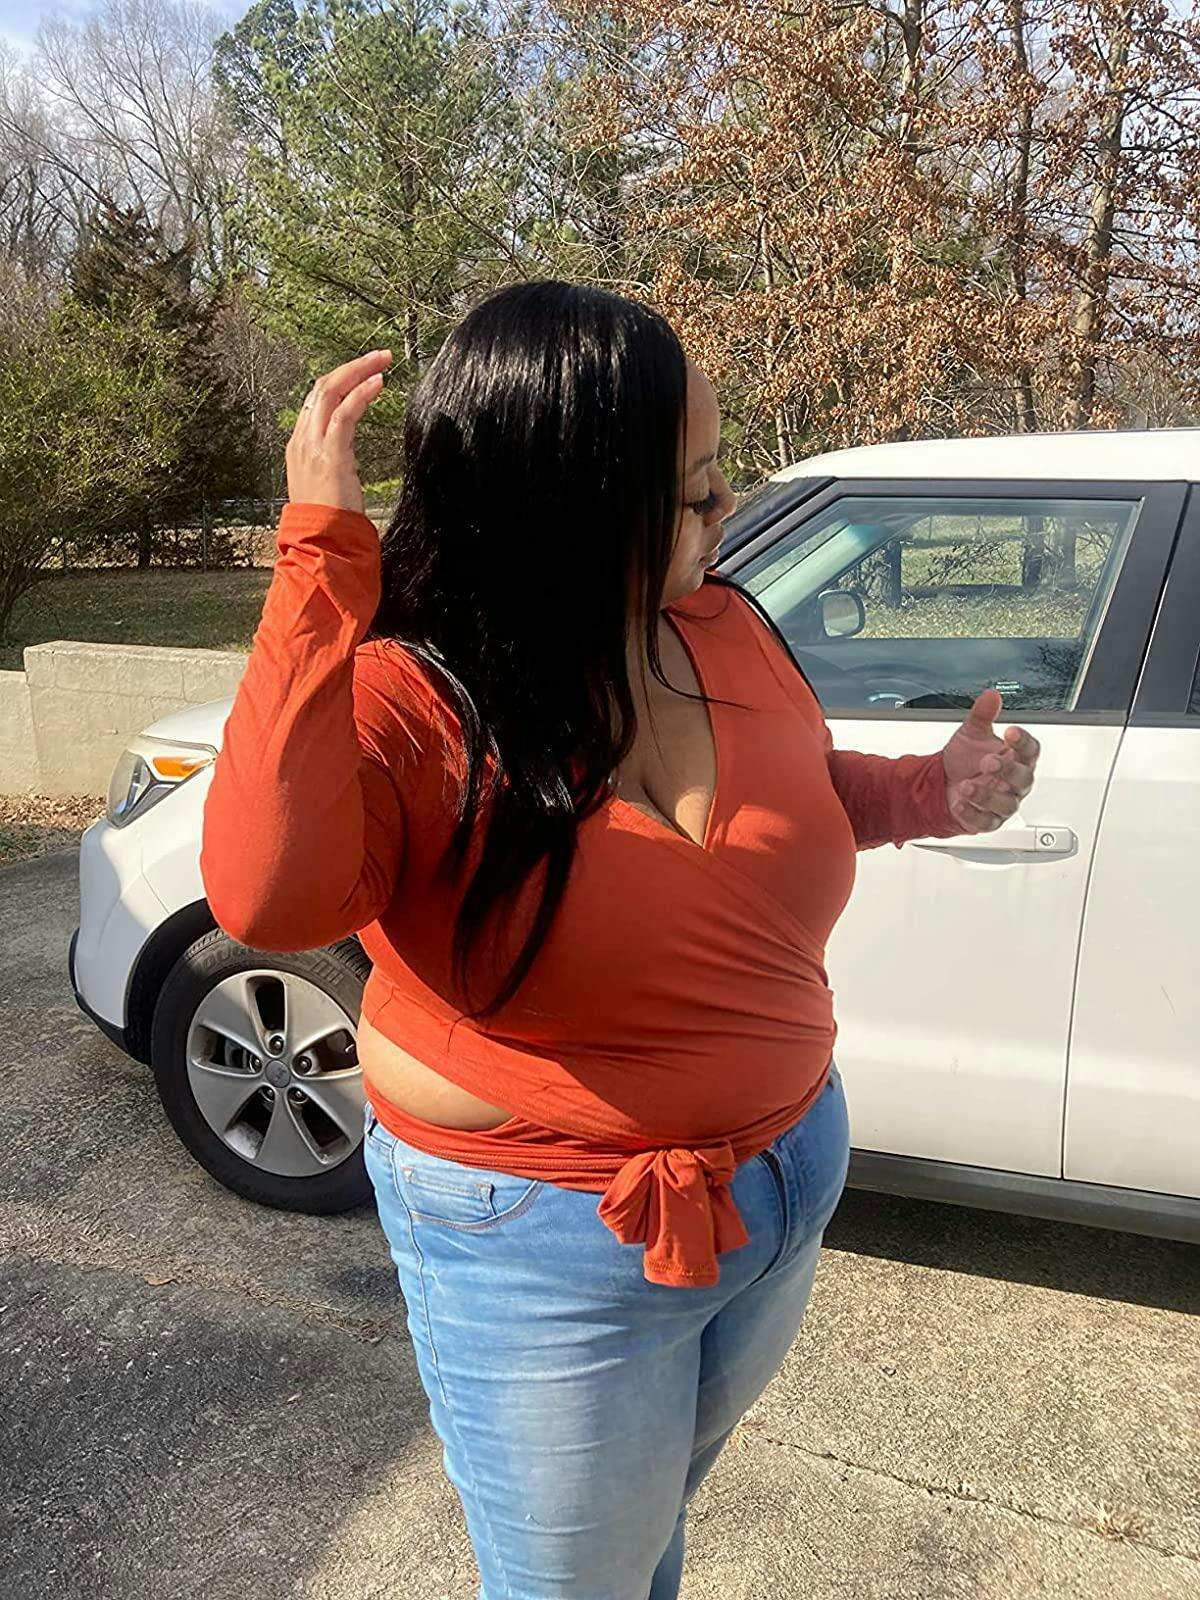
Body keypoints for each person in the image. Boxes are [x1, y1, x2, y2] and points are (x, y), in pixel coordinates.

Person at [200, 280, 1040, 1600]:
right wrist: (319, 558)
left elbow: (802, 789)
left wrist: (931, 791)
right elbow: (266, 895)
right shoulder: (413, 702)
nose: (726, 512)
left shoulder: (720, 624)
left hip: (783, 1175)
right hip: (543, 1238)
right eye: (693, 493)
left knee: (649, 1533)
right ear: (569, 504)